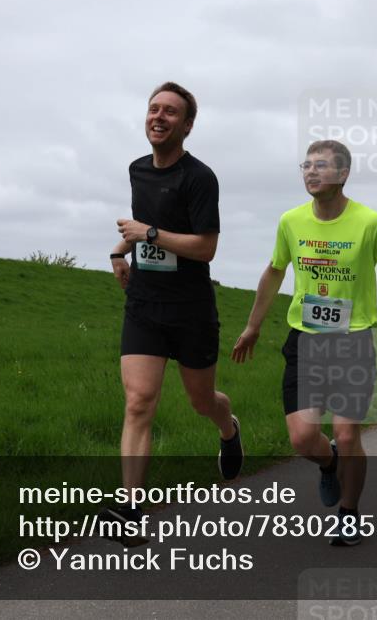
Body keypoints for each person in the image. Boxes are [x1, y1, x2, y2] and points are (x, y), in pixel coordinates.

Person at [231, 139, 377, 546]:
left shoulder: (370, 222)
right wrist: (253, 326)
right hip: (306, 340)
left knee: (349, 434)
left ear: (343, 174)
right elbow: (274, 273)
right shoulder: (291, 221)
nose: (311, 172)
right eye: (306, 165)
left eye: (321, 166)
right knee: (301, 439)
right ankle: (329, 463)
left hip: (352, 340)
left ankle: (349, 512)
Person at [101, 82, 242, 544]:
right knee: (139, 401)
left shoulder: (200, 177)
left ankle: (228, 427)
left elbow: (206, 247)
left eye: (169, 112)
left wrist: (149, 233)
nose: (157, 117)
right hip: (144, 303)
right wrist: (119, 252)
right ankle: (132, 507)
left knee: (203, 402)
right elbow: (143, 226)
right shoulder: (138, 170)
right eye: (152, 109)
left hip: (191, 310)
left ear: (187, 125)